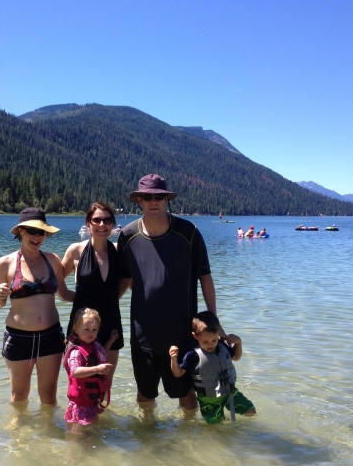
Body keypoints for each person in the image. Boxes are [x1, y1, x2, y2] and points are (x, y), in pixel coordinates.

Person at [117, 174, 218, 411]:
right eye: (147, 196)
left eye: (159, 197)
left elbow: (205, 277)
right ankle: (147, 441)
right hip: (143, 335)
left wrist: (212, 321)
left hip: (182, 334)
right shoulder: (128, 235)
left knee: (186, 394)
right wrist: (104, 309)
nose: (154, 201)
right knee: (145, 394)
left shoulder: (188, 232)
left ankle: (189, 444)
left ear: (167, 200)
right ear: (139, 200)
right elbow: (125, 278)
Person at [0, 208, 74, 406]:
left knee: (49, 396)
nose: (37, 236)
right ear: (21, 231)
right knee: (19, 397)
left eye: (41, 232)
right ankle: (20, 437)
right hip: (19, 338)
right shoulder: (5, 263)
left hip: (51, 337)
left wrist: (95, 299)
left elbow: (63, 294)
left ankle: (49, 436)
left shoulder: (53, 260)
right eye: (31, 231)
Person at [62, 202, 124, 380]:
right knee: (79, 383)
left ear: (112, 224)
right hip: (82, 325)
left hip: (111, 323)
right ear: (88, 223)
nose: (102, 225)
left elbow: (127, 280)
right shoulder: (76, 251)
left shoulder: (119, 252)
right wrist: (78, 298)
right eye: (96, 220)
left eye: (107, 220)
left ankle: (102, 409)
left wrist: (110, 299)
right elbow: (58, 282)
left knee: (105, 383)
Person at [169, 311, 256, 424]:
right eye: (205, 341)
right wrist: (174, 359)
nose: (210, 344)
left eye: (214, 340)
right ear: (195, 336)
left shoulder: (221, 346)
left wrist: (238, 343)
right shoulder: (192, 354)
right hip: (209, 402)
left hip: (231, 394)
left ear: (218, 334)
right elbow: (178, 373)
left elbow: (236, 357)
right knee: (216, 429)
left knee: (251, 412)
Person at [63, 308, 119, 425]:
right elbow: (75, 371)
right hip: (79, 405)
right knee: (78, 433)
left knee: (92, 432)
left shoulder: (95, 346)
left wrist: (110, 341)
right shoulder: (76, 351)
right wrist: (97, 369)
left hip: (92, 402)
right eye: (86, 329)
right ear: (76, 329)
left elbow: (101, 353)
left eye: (94, 330)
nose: (91, 333)